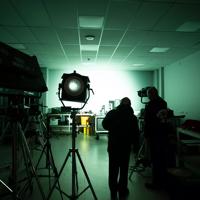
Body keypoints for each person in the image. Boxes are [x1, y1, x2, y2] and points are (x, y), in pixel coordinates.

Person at [102, 97, 139, 200]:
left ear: (120, 104)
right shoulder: (132, 117)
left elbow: (104, 125)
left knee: (113, 169)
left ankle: (113, 190)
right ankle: (122, 189)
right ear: (130, 104)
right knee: (124, 169)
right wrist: (136, 148)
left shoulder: (112, 113)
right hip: (125, 147)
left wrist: (113, 127)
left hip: (113, 146)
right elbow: (136, 134)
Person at [143, 87, 168, 189]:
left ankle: (156, 183)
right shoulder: (162, 102)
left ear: (152, 94)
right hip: (160, 133)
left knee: (156, 158)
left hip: (154, 134)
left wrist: (146, 133)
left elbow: (150, 120)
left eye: (148, 94)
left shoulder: (153, 103)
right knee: (160, 158)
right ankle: (161, 181)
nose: (147, 96)